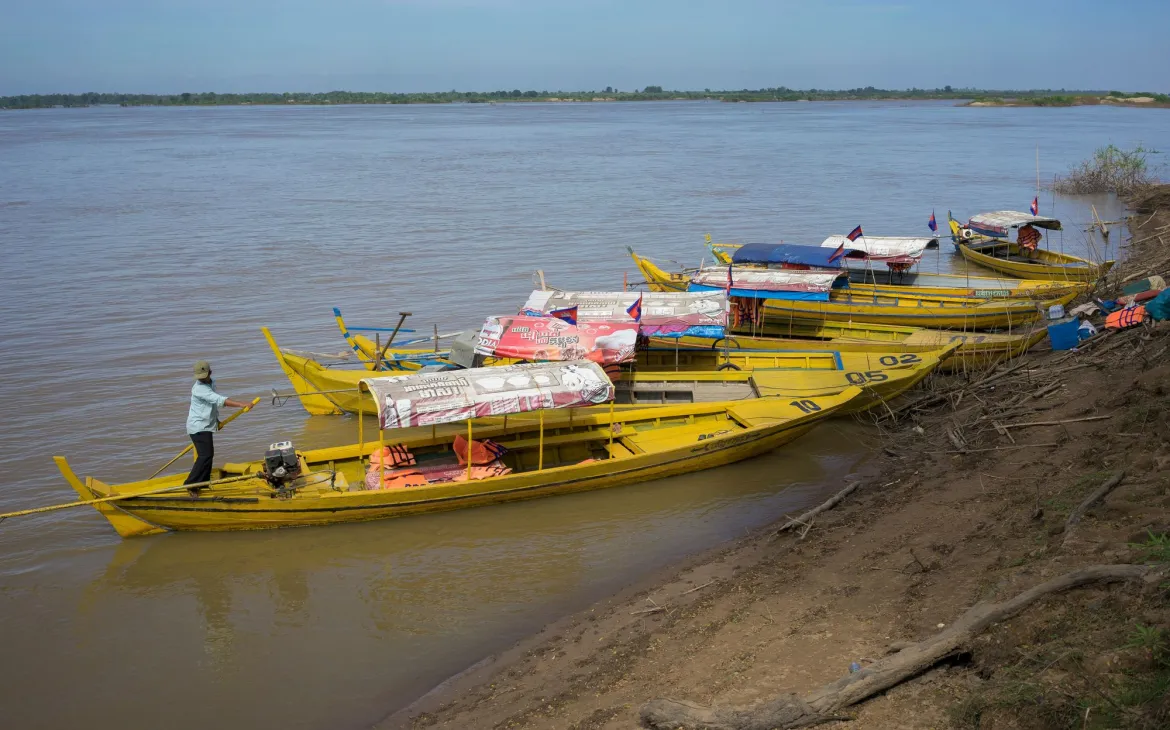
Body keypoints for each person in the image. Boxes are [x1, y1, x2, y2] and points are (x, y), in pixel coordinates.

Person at [185, 360, 255, 494]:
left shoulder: (211, 382)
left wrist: (216, 421)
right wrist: (241, 404)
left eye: (203, 376)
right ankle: (190, 484)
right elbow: (218, 400)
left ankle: (203, 482)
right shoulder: (199, 388)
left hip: (207, 425)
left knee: (208, 455)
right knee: (205, 456)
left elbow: (211, 405)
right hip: (198, 427)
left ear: (209, 373)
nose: (201, 379)